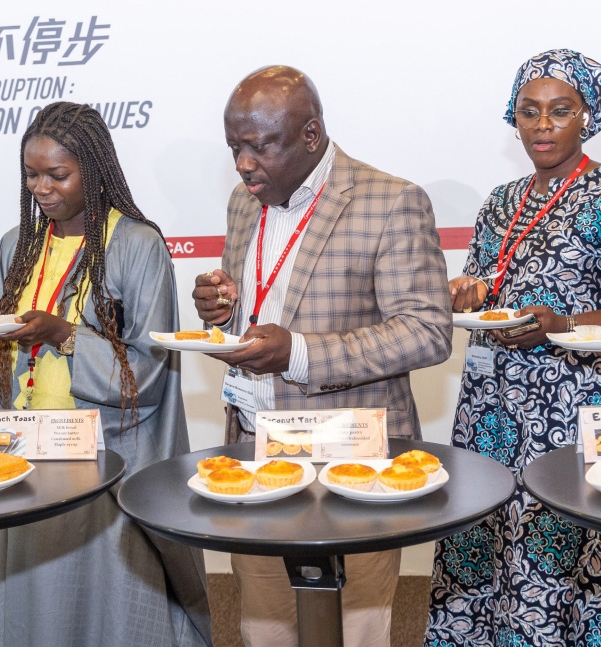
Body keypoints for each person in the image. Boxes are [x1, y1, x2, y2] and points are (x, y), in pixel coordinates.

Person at [428, 50, 601, 646]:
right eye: (528, 111)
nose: (542, 125)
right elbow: (487, 290)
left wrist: (561, 323)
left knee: (562, 558)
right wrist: (467, 294)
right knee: (478, 546)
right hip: (489, 410)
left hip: (576, 413)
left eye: (560, 111)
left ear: (587, 117)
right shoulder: (500, 199)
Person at [193, 65, 452, 647]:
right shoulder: (243, 202)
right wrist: (221, 310)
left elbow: (427, 330)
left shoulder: (392, 201)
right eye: (235, 147)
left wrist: (302, 353)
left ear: (311, 136)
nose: (243, 164)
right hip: (253, 447)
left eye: (259, 146)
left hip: (350, 460)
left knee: (354, 629)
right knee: (265, 625)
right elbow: (258, 306)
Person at [0, 101, 211, 647]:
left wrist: (62, 335)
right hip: (23, 462)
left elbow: (150, 373)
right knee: (33, 613)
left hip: (103, 470)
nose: (41, 188)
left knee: (112, 616)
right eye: (31, 175)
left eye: (57, 175)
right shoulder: (16, 245)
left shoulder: (137, 245)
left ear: (92, 171)